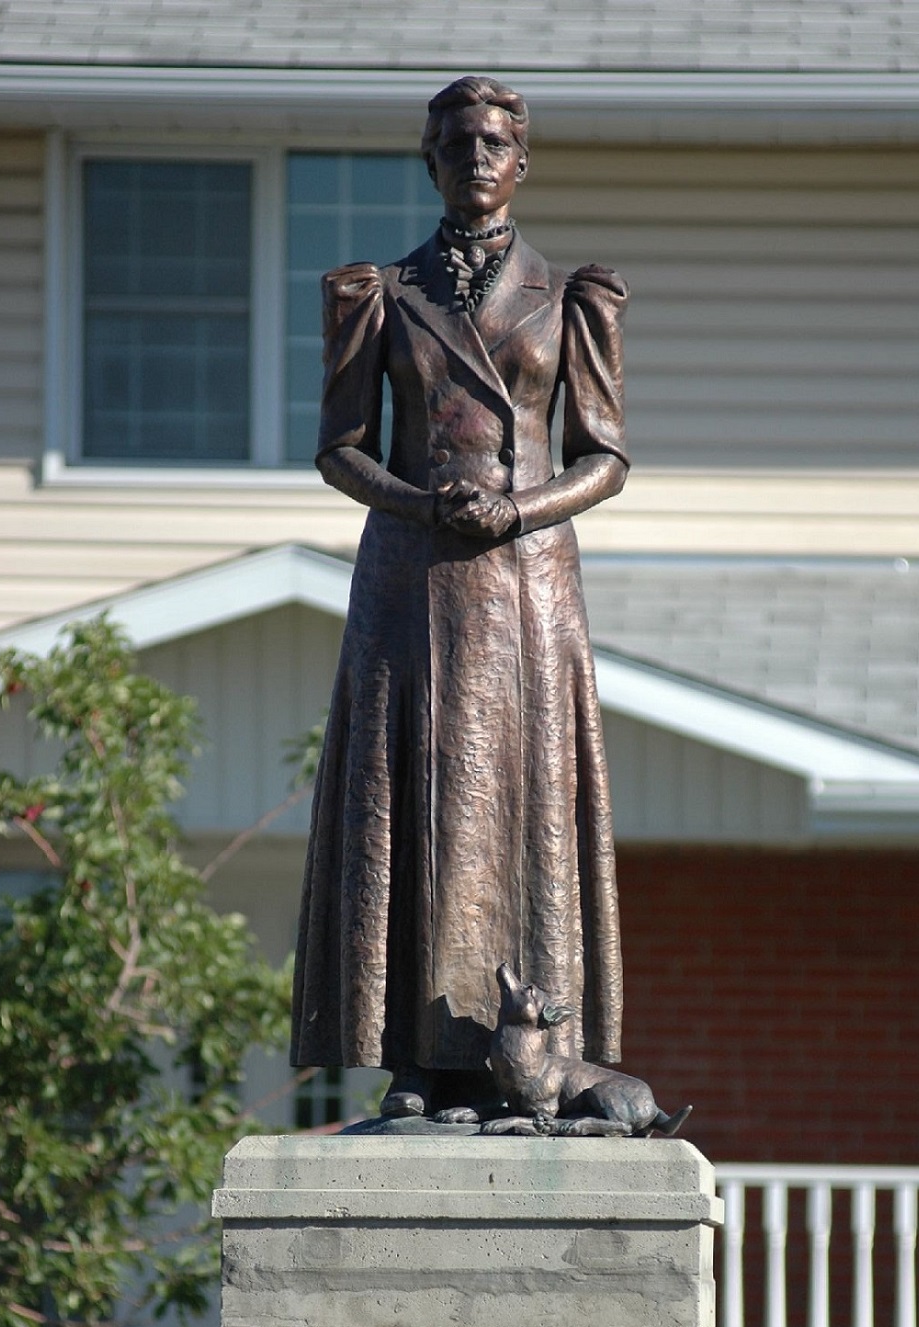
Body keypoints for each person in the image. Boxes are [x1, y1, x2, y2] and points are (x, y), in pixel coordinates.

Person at [290, 75, 628, 1121]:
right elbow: (339, 449)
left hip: (527, 584)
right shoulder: (380, 294)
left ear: (521, 163)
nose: (477, 158)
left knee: (522, 803)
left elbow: (605, 456)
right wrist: (418, 501)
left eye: (495, 143)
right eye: (457, 143)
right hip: (411, 575)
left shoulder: (572, 296)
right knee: (410, 796)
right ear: (428, 160)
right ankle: (417, 1055)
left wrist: (518, 510)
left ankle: (526, 1051)